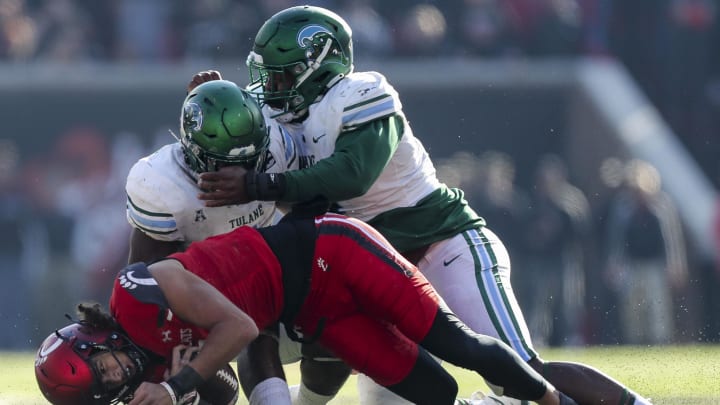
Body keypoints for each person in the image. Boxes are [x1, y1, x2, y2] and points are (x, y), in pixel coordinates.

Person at [190, 5, 654, 405]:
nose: (271, 87)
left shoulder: (361, 93)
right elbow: (244, 122)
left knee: (519, 372)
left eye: (283, 74)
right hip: (380, 271)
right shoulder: (280, 109)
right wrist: (218, 99)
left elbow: (352, 174)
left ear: (321, 66)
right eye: (265, 74)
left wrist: (259, 185)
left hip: (443, 247)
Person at [36, 213, 577, 405]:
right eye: (107, 387)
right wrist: (189, 391)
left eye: (103, 369)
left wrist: (178, 386)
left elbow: (241, 326)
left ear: (94, 338)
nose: (118, 376)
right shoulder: (147, 372)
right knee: (438, 392)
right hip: (313, 314)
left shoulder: (135, 292)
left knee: (459, 346)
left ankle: (555, 402)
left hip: (331, 252)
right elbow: (224, 392)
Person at [125, 79, 298, 264]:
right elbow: (145, 280)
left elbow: (302, 220)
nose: (237, 175)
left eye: (249, 161)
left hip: (259, 271)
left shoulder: (277, 146)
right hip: (195, 283)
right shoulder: (164, 183)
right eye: (225, 163)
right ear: (194, 151)